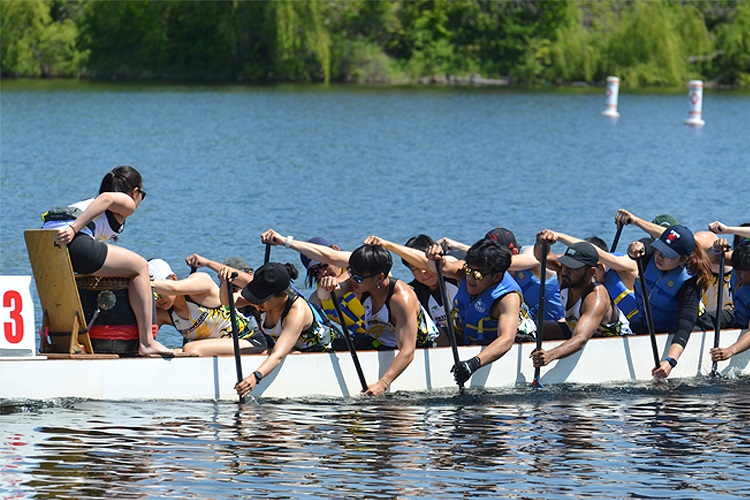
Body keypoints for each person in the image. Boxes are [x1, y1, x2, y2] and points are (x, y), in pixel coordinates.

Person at [41, 165, 172, 356]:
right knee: (140, 267)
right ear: (135, 192)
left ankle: (64, 338)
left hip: (46, 241)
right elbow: (107, 198)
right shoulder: (126, 202)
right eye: (142, 194)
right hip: (71, 238)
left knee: (128, 263)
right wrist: (74, 229)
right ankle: (147, 342)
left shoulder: (90, 204)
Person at [318, 244, 440, 396]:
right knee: (327, 345)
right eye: (350, 273)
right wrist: (326, 286)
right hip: (381, 342)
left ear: (380, 278)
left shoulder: (401, 299)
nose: (352, 280)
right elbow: (324, 297)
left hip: (423, 348)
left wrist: (382, 383)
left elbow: (408, 351)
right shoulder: (359, 283)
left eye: (357, 277)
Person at [426, 238, 536, 386]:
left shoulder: (508, 298)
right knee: (426, 337)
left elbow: (505, 340)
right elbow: (440, 267)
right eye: (469, 271)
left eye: (477, 275)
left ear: (496, 277)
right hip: (468, 336)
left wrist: (472, 364)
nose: (470, 278)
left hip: (499, 347)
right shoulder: (465, 271)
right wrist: (434, 257)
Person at [530, 232, 632, 369]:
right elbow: (542, 256)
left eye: (573, 268)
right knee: (531, 329)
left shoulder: (597, 298)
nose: (565, 271)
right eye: (565, 264)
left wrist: (550, 355)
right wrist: (542, 243)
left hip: (613, 344)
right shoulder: (564, 272)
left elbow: (580, 338)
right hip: (579, 332)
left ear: (591, 272)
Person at [234, 262, 336, 398]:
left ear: (282, 297)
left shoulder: (297, 310)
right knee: (238, 351)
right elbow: (225, 301)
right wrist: (224, 283)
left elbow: (278, 355)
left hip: (313, 357)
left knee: (272, 353)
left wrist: (255, 377)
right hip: (284, 350)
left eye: (262, 298)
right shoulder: (263, 300)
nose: (256, 302)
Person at [627, 225, 712, 379]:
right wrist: (635, 246)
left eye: (667, 254)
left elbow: (685, 325)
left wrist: (670, 361)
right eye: (659, 249)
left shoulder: (690, 283)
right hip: (648, 324)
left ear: (683, 260)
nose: (659, 256)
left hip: (677, 331)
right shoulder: (649, 256)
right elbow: (645, 243)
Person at [259, 230, 367, 340]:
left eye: (323, 265)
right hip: (363, 339)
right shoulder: (316, 299)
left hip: (383, 335)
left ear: (336, 249)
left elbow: (331, 257)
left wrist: (285, 241)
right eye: (315, 271)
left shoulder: (359, 270)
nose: (322, 273)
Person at [148, 259, 267, 356]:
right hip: (215, 350)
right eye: (154, 296)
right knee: (174, 351)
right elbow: (147, 343)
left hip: (249, 341)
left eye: (161, 293)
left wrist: (145, 283)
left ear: (174, 279)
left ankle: (269, 351)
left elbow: (175, 288)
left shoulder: (201, 282)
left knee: (189, 348)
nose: (158, 300)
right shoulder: (163, 314)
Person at [362, 234, 459, 344]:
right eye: (414, 269)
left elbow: (443, 262)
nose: (423, 273)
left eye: (424, 266)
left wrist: (387, 244)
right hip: (445, 341)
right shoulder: (411, 292)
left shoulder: (454, 275)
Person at [710, 241, 750, 363]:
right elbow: (709, 257)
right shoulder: (739, 261)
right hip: (736, 316)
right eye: (735, 270)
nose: (737, 275)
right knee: (702, 320)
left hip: (746, 327)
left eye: (741, 271)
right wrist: (716, 250)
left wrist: (730, 350)